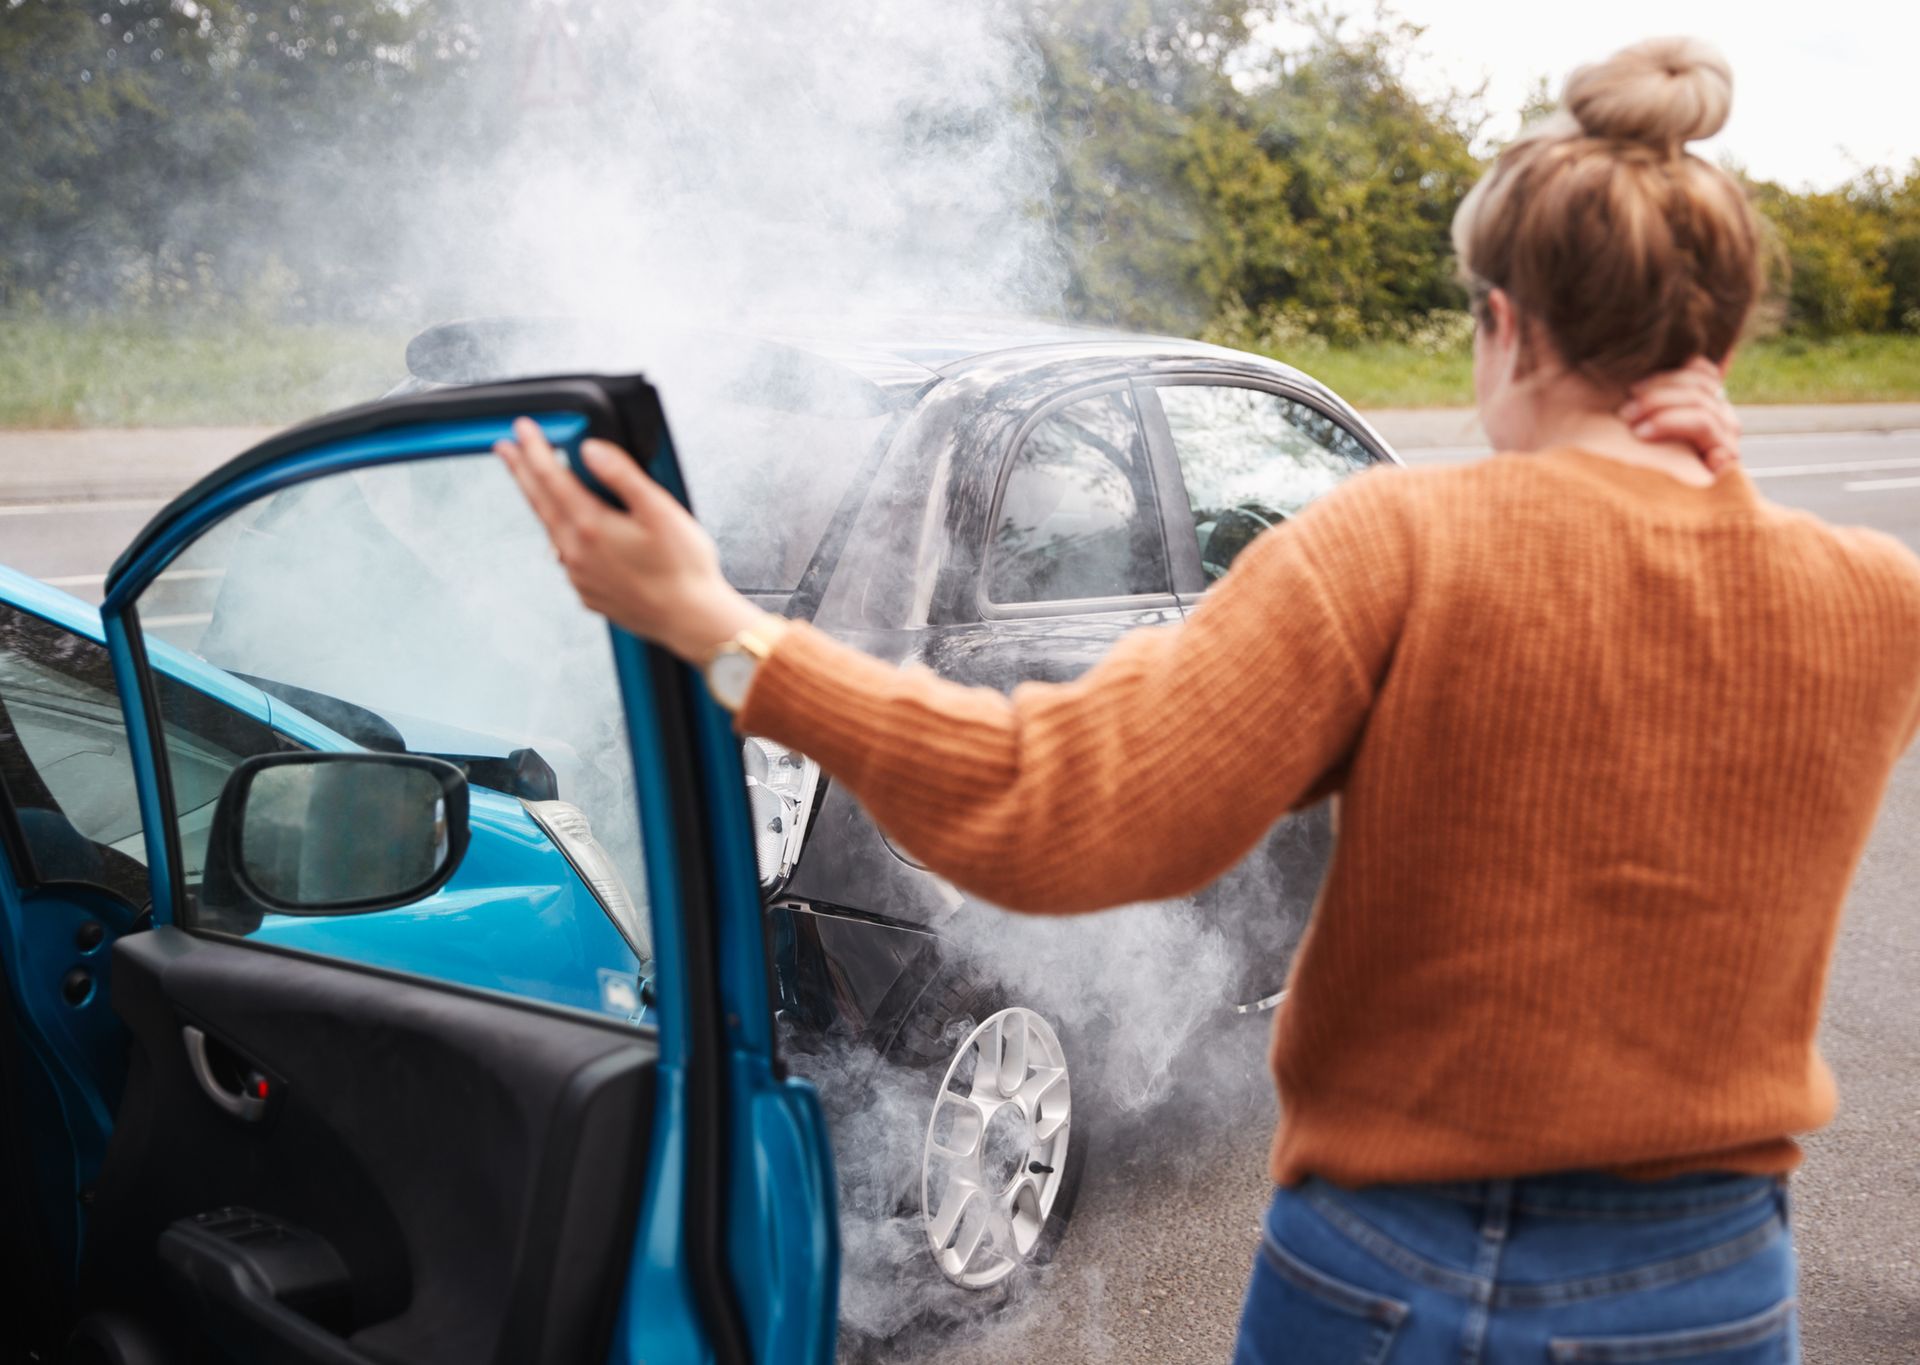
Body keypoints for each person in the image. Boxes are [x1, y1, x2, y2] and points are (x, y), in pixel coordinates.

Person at [496, 36, 1920, 1363]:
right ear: (1720, 345)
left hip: (1392, 1269)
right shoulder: (1874, 602)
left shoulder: (1397, 549)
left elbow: (1062, 815)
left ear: (1504, 328)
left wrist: (718, 629)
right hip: (1715, 1287)